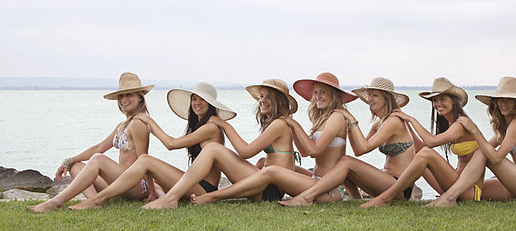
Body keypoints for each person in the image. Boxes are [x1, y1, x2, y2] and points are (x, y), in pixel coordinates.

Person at [192, 72, 359, 205]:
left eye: (323, 92)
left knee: (271, 171)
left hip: (328, 188)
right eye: (315, 92)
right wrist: (290, 127)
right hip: (316, 180)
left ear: (334, 95)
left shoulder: (336, 117)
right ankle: (244, 192)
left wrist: (292, 124)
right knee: (263, 164)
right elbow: (305, 152)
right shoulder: (323, 118)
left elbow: (314, 151)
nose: (317, 96)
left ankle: (214, 196)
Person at [68, 81, 236, 210]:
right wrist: (69, 161)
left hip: (204, 189)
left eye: (202, 100)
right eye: (194, 99)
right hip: (193, 181)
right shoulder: (199, 126)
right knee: (82, 164)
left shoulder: (211, 128)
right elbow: (99, 147)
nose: (197, 103)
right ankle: (96, 199)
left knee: (146, 160)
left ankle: (96, 200)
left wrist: (149, 121)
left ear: (211, 104)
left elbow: (171, 144)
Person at [141, 78, 298, 209]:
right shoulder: (275, 123)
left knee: (213, 149)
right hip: (267, 186)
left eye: (267, 97)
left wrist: (225, 125)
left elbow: (245, 152)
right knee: (251, 160)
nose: (261, 101)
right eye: (261, 97)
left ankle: (171, 198)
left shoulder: (279, 124)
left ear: (278, 100)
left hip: (269, 190)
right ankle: (169, 196)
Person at [28, 72, 156, 213]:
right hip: (120, 182)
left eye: (129, 95)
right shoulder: (123, 124)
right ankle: (94, 201)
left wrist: (152, 191)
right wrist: (68, 161)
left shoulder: (138, 123)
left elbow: (145, 160)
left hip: (136, 185)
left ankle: (57, 201)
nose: (123, 99)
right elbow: (100, 147)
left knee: (98, 159)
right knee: (75, 166)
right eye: (121, 95)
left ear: (139, 98)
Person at [279, 77, 415, 207]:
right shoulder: (378, 124)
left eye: (375, 95)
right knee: (345, 164)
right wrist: (348, 128)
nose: (369, 99)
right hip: (386, 181)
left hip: (400, 186)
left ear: (387, 98)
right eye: (369, 95)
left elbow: (364, 147)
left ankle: (307, 197)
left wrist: (350, 118)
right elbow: (358, 151)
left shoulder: (393, 121)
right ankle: (356, 198)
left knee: (346, 161)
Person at [361, 77, 482, 208]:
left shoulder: (460, 124)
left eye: (443, 99)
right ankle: (402, 191)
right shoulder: (449, 123)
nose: (438, 104)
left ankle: (387, 197)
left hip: (468, 189)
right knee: (420, 155)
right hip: (454, 183)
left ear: (453, 101)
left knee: (426, 154)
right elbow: (419, 146)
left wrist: (411, 119)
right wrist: (404, 123)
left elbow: (430, 142)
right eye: (435, 100)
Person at [427, 76, 516, 206]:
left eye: (508, 100)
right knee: (469, 191)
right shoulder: (505, 127)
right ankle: (451, 195)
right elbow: (483, 147)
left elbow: (495, 158)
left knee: (482, 153)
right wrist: (462, 140)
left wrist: (474, 130)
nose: (503, 103)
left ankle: (448, 198)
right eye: (500, 99)